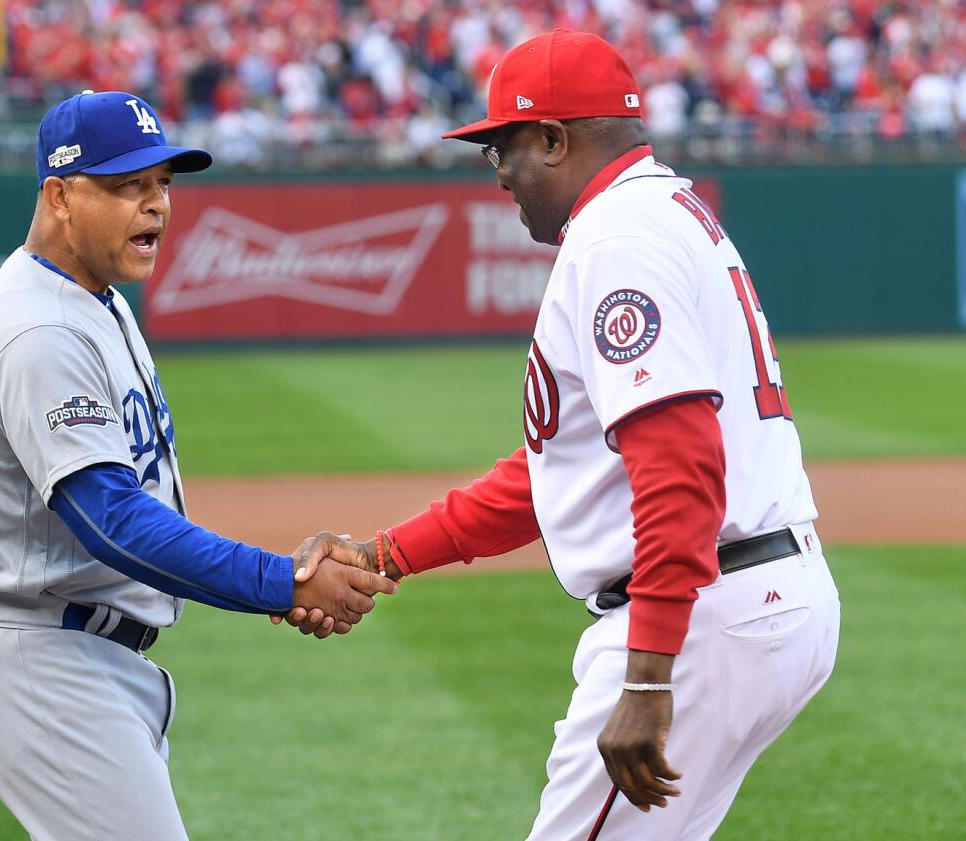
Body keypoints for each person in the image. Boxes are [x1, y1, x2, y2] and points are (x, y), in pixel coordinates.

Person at [282, 30, 840, 840]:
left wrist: (648, 678)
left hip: (701, 618)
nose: (499, 174)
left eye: (504, 147)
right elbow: (560, 473)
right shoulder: (662, 212)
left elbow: (680, 466)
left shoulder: (618, 237)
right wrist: (386, 553)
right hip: (745, 597)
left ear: (554, 138)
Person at [0, 89, 396, 841]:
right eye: (127, 186)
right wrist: (281, 580)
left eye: (163, 184)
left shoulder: (93, 298)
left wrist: (278, 587)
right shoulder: (40, 327)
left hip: (74, 650)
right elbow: (111, 522)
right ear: (59, 195)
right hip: (41, 659)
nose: (155, 206)